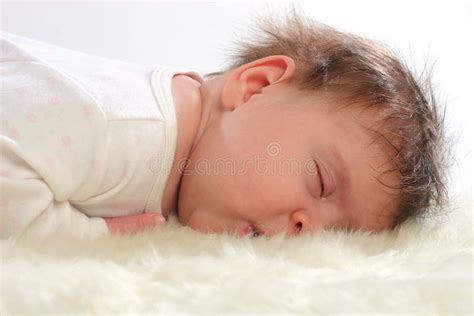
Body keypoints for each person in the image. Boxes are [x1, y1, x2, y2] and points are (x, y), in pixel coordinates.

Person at [0, 11, 447, 239]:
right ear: (255, 86)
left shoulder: (188, 153)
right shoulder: (126, 127)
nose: (306, 230)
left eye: (337, 233)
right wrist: (83, 238)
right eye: (320, 180)